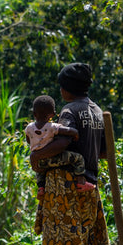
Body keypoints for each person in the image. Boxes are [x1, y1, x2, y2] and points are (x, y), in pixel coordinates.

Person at [29, 62, 117, 245]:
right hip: (89, 183)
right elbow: (103, 150)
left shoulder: (69, 110)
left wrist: (38, 155)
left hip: (65, 185)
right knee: (87, 236)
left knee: (66, 239)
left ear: (66, 88)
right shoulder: (97, 110)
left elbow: (63, 142)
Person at [25, 94, 82, 234]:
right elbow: (68, 131)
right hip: (52, 158)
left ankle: (41, 187)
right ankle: (81, 178)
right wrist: (75, 133)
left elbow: (28, 140)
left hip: (39, 161)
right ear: (52, 114)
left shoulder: (28, 128)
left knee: (40, 172)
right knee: (78, 158)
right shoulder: (52, 127)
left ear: (34, 113)